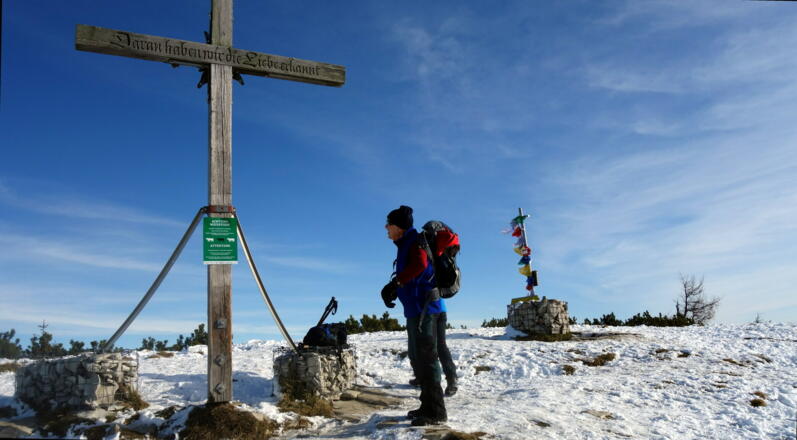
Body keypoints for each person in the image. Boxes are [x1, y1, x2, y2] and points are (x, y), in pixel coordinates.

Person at [381, 205, 447, 426]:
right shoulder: (405, 243)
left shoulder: (413, 241)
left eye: (389, 224)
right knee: (420, 358)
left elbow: (420, 264)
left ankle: (436, 412)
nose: (386, 228)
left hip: (424, 310)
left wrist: (396, 283)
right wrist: (395, 287)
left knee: (428, 359)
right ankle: (426, 405)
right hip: (415, 310)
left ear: (399, 227)